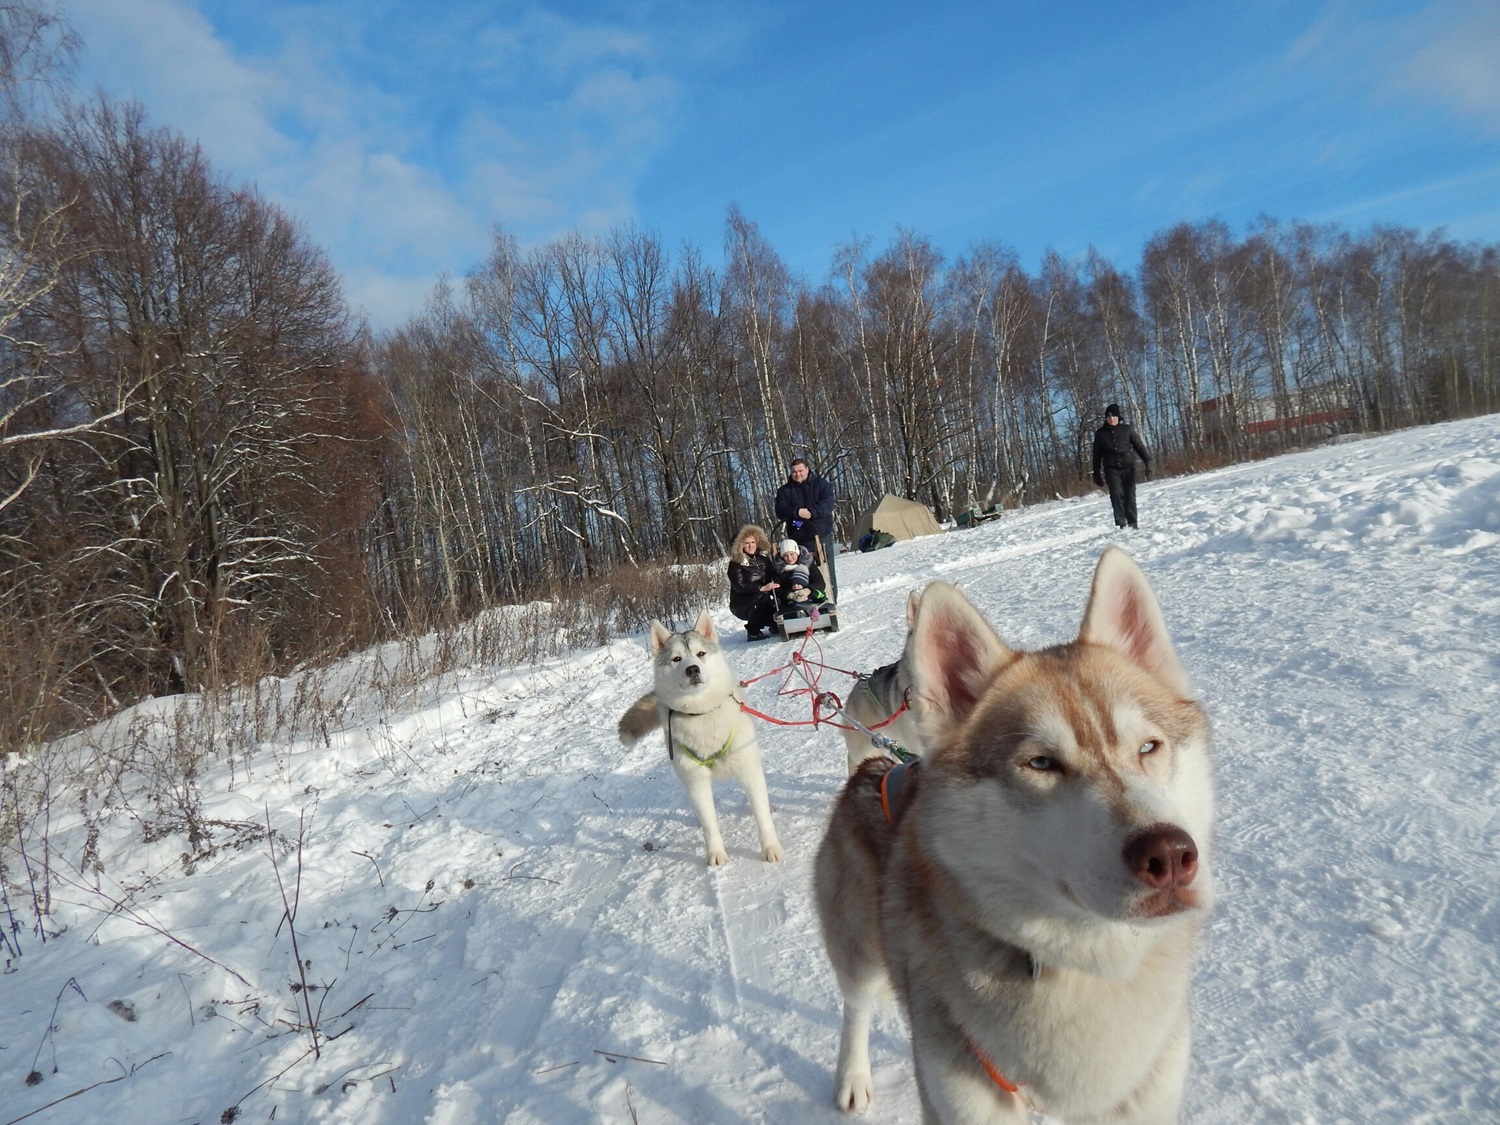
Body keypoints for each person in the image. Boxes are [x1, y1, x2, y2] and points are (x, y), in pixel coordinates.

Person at [774, 456, 838, 602]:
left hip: (821, 535)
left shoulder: (821, 485)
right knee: (799, 572)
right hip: (798, 539)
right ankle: (801, 602)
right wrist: (797, 512)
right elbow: (780, 509)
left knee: (826, 572)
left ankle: (830, 602)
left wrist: (811, 512)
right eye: (794, 472)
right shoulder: (785, 491)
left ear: (807, 469)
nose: (798, 474)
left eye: (801, 471)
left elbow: (828, 504)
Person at [1091, 402, 1152, 529]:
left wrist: (1148, 462)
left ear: (1119, 417)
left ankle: (1133, 523)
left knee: (1130, 494)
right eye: (1108, 417)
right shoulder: (1101, 434)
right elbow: (1096, 455)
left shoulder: (1127, 430)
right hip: (1111, 469)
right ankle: (1121, 523)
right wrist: (1096, 472)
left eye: (1113, 416)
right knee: (1116, 493)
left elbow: (1139, 446)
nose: (1111, 419)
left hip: (1128, 467)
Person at [727, 524, 779, 641]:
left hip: (764, 598)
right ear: (740, 545)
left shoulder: (764, 560)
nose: (750, 546)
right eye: (747, 543)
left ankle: (774, 624)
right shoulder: (736, 563)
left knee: (777, 603)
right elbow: (739, 586)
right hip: (743, 602)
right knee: (763, 601)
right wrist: (761, 588)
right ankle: (753, 630)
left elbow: (773, 577)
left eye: (753, 542)